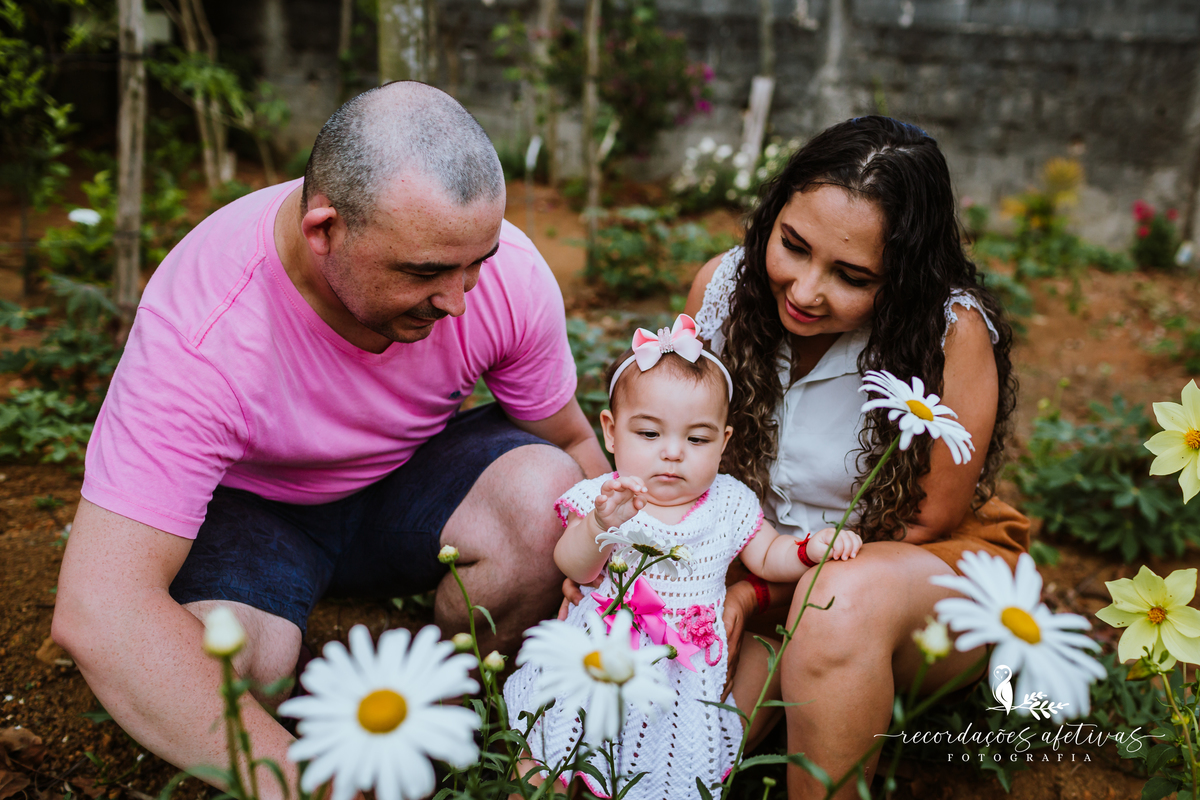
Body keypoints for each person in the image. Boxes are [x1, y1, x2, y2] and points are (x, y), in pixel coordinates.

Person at [52, 81, 609, 800]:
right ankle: (321, 727)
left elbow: (571, 439)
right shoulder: (205, 332)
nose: (459, 301)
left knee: (553, 496)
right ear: (325, 231)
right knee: (233, 660)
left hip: (408, 487)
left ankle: (440, 710)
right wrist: (306, 785)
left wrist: (643, 583)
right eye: (426, 272)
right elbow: (102, 608)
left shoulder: (502, 278)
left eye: (478, 262)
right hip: (258, 514)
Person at [682, 115, 1029, 798]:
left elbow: (926, 520)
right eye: (793, 245)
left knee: (835, 601)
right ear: (773, 214)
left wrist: (756, 590)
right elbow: (684, 448)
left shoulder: (948, 335)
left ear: (903, 278)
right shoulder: (722, 289)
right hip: (750, 563)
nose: (807, 291)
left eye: (852, 275)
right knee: (686, 737)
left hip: (895, 575)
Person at [504, 314, 863, 798]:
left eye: (696, 439)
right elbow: (573, 566)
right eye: (649, 434)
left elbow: (767, 554)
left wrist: (807, 548)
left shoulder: (729, 502)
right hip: (596, 659)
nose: (673, 453)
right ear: (611, 433)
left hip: (683, 677)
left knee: (662, 770)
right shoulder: (603, 498)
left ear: (723, 443)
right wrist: (599, 526)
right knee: (549, 755)